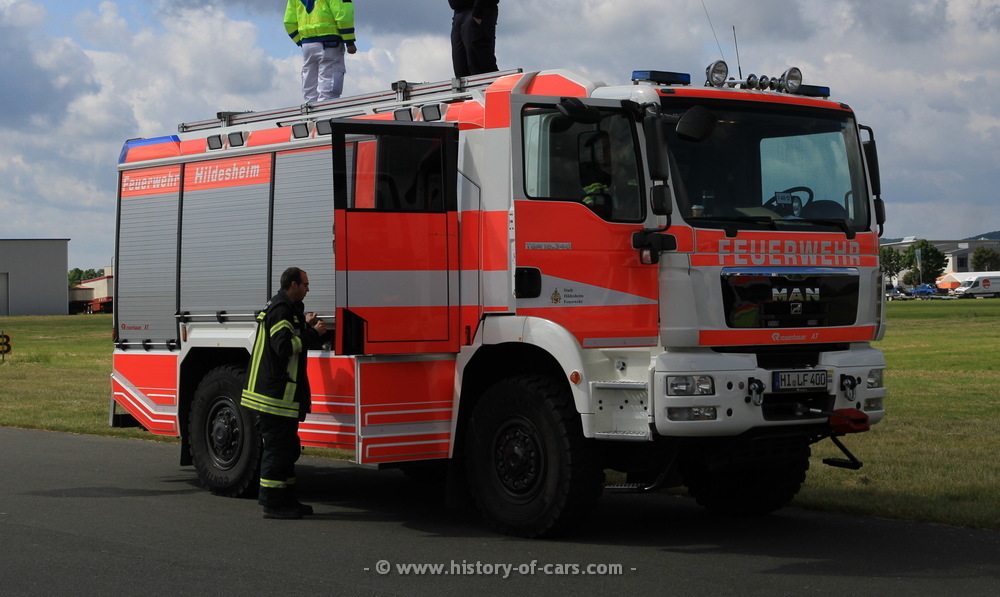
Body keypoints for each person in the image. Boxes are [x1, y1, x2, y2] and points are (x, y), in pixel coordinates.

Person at [242, 267, 328, 519]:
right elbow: (282, 347)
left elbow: (289, 335)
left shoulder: (286, 308)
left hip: (280, 396)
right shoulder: (281, 310)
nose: (308, 289)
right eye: (305, 284)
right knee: (278, 450)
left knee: (288, 449)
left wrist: (305, 325)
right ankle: (272, 503)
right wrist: (314, 334)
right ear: (293, 284)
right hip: (274, 396)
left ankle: (287, 499)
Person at [284, 0, 357, 103]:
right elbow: (343, 15)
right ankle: (325, 110)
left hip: (307, 44)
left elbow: (288, 22)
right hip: (330, 43)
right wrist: (349, 42)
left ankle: (310, 110)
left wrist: (301, 42)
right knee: (328, 87)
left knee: (310, 86)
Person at [449, 0, 499, 77]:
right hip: (458, 13)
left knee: (479, 64)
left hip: (477, 10)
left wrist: (477, 13)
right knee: (460, 68)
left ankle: (494, 84)